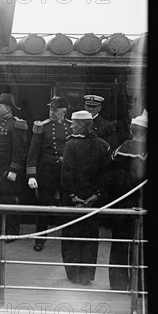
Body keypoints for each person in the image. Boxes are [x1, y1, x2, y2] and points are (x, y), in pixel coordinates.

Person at [61, 110, 111, 286]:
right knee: (90, 237)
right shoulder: (103, 145)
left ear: (81, 125)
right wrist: (95, 195)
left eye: (73, 123)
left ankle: (73, 274)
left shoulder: (70, 145)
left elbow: (66, 173)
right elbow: (105, 175)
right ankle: (86, 276)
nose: (71, 125)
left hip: (73, 201)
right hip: (93, 201)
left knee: (71, 236)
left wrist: (73, 196)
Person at [107, 110, 147, 291]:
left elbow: (110, 175)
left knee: (119, 244)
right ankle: (140, 285)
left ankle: (118, 283)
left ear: (132, 130)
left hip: (120, 204)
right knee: (141, 245)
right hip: (140, 204)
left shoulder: (121, 148)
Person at [26, 96, 72, 252]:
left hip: (65, 172)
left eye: (55, 110)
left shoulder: (71, 126)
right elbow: (33, 153)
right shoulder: (42, 127)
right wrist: (31, 174)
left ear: (64, 111)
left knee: (67, 206)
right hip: (46, 172)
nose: (51, 112)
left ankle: (68, 239)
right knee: (43, 207)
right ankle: (40, 239)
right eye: (51, 109)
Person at [0, 93, 27, 240]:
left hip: (8, 169)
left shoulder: (16, 124)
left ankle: (12, 231)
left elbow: (20, 150)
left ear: (7, 108)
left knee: (9, 199)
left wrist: (14, 169)